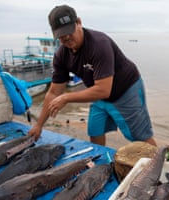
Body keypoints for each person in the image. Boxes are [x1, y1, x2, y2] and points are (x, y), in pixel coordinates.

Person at [28, 5, 157, 147]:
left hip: (125, 89)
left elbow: (103, 90)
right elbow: (53, 92)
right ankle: (100, 161)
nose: (67, 38)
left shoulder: (99, 44)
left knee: (139, 136)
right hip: (97, 93)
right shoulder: (61, 55)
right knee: (95, 130)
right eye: (61, 35)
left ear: (79, 22)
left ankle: (159, 162)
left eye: (69, 32)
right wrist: (39, 125)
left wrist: (66, 97)